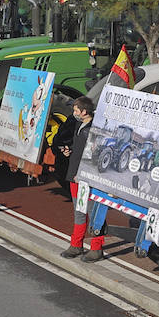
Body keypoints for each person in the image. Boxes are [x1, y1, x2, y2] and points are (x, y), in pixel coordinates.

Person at [58, 96, 106, 262]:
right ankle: (76, 244)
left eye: (76, 110)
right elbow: (79, 148)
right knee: (79, 212)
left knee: (93, 213)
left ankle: (96, 247)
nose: (74, 113)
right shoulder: (80, 125)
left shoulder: (93, 130)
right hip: (74, 176)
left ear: (84, 112)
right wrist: (69, 150)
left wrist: (83, 174)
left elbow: (93, 156)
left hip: (86, 179)